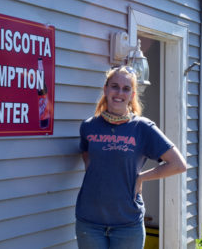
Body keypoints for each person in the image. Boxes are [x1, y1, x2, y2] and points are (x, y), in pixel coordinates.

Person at [75, 65, 187, 249]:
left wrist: (142, 177)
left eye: (126, 88)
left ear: (132, 95)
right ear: (105, 89)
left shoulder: (142, 128)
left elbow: (178, 164)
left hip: (127, 224)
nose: (119, 92)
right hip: (89, 222)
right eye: (114, 86)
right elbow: (87, 156)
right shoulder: (88, 126)